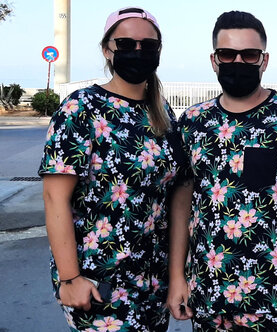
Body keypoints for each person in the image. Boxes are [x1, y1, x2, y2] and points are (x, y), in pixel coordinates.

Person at [166, 11, 277, 331]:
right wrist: (176, 277)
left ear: (264, 61)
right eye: (227, 54)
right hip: (209, 296)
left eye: (249, 54)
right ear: (214, 60)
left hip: (276, 298)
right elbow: (182, 206)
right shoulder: (193, 122)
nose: (238, 61)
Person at [39, 7, 188, 331]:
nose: (138, 52)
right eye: (126, 44)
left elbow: (177, 193)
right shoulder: (81, 109)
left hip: (151, 283)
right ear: (108, 50)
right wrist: (70, 278)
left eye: (148, 46)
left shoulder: (161, 112)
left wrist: (176, 276)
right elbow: (54, 197)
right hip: (99, 283)